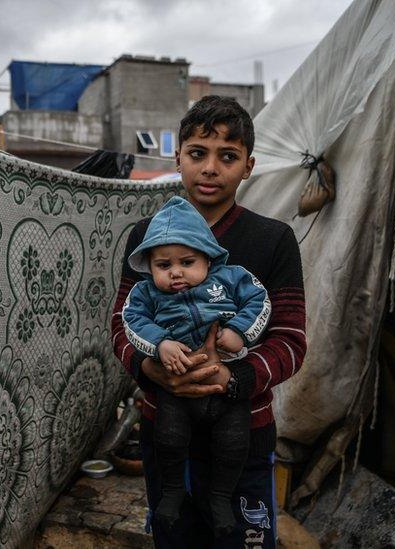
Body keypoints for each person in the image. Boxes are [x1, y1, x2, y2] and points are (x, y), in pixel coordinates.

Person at [110, 95, 307, 548]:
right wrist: (150, 368)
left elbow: (292, 341)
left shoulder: (271, 239)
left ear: (249, 165)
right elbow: (122, 323)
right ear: (177, 158)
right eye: (198, 153)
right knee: (175, 537)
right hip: (166, 431)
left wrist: (232, 378)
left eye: (228, 156)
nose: (210, 168)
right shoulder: (145, 237)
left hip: (246, 433)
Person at [122, 196, 271, 537]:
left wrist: (239, 332)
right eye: (163, 265)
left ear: (207, 257)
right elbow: (130, 320)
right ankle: (173, 491)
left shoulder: (232, 278)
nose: (176, 272)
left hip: (228, 391)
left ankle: (221, 497)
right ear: (150, 267)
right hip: (175, 388)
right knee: (169, 438)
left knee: (234, 442)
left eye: (187, 262)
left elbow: (260, 300)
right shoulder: (146, 294)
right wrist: (159, 344)